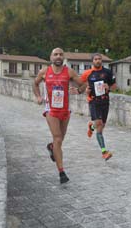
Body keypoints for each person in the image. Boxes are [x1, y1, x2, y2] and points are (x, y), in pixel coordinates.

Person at [33, 48, 85, 184]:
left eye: (61, 54)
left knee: (60, 140)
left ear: (63, 58)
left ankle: (52, 148)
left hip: (65, 110)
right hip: (51, 110)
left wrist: (79, 91)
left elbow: (83, 84)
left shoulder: (69, 71)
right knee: (57, 138)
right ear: (51, 57)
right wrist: (38, 96)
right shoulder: (44, 72)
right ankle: (61, 172)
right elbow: (35, 83)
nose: (58, 56)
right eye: (55, 54)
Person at [80, 53, 116, 161]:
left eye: (99, 59)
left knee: (101, 125)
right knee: (99, 126)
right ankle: (104, 152)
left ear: (102, 60)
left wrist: (108, 87)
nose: (98, 61)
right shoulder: (87, 73)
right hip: (93, 101)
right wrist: (84, 90)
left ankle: (91, 127)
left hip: (105, 101)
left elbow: (114, 86)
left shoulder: (108, 72)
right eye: (96, 59)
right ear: (92, 61)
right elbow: (79, 84)